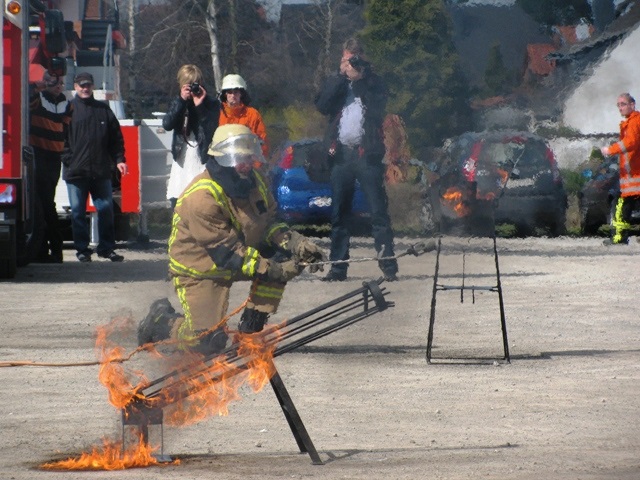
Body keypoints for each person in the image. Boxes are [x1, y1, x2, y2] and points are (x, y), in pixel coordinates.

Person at [137, 124, 326, 355]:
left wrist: (295, 243)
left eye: (249, 157)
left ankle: (250, 330)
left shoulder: (255, 180)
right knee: (205, 342)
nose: (246, 164)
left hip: (239, 255)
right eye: (240, 158)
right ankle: (160, 323)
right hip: (200, 269)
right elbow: (227, 252)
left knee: (283, 255)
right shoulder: (201, 197)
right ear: (223, 158)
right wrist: (273, 270)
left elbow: (268, 223)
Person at [314, 38, 398, 282]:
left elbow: (378, 104)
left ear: (362, 58)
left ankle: (388, 266)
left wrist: (360, 77)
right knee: (340, 214)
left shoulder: (373, 82)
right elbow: (322, 105)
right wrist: (342, 78)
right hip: (341, 155)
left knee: (378, 212)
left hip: (366, 154)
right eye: (346, 58)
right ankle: (338, 268)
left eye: (354, 58)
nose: (350, 63)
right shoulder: (336, 82)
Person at [62, 72, 127, 262]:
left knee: (106, 209)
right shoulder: (68, 110)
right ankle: (82, 250)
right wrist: (68, 159)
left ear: (93, 87)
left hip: (100, 171)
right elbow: (60, 137)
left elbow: (116, 138)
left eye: (88, 85)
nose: (85, 88)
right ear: (75, 86)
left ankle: (106, 248)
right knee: (77, 212)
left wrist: (119, 159)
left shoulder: (104, 110)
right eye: (81, 85)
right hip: (75, 172)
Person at [163, 64, 221, 209]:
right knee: (179, 200)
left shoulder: (212, 103)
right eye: (188, 85)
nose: (193, 89)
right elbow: (167, 124)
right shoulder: (178, 102)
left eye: (196, 84)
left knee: (202, 199)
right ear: (181, 85)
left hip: (202, 157)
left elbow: (212, 129)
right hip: (182, 157)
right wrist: (182, 101)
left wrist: (200, 105)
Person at [29, 71, 72, 263]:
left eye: (61, 83)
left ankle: (52, 250)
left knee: (45, 203)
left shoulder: (66, 104)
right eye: (54, 82)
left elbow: (66, 127)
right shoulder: (39, 99)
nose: (58, 85)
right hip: (38, 154)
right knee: (42, 204)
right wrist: (38, 86)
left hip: (52, 158)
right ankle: (46, 249)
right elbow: (29, 101)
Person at [601, 92, 640, 245]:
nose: (620, 108)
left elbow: (630, 143)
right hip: (632, 176)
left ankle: (619, 238)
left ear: (632, 104)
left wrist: (610, 150)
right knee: (623, 206)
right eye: (618, 105)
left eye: (623, 104)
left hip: (634, 176)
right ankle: (620, 237)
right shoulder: (631, 122)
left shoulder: (634, 122)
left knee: (620, 206)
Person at [218, 74, 269, 158]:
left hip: (247, 164)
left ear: (241, 94)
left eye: (236, 92)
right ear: (225, 94)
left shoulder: (252, 114)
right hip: (222, 165)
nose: (233, 96)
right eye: (230, 92)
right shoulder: (218, 114)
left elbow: (262, 142)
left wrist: (254, 164)